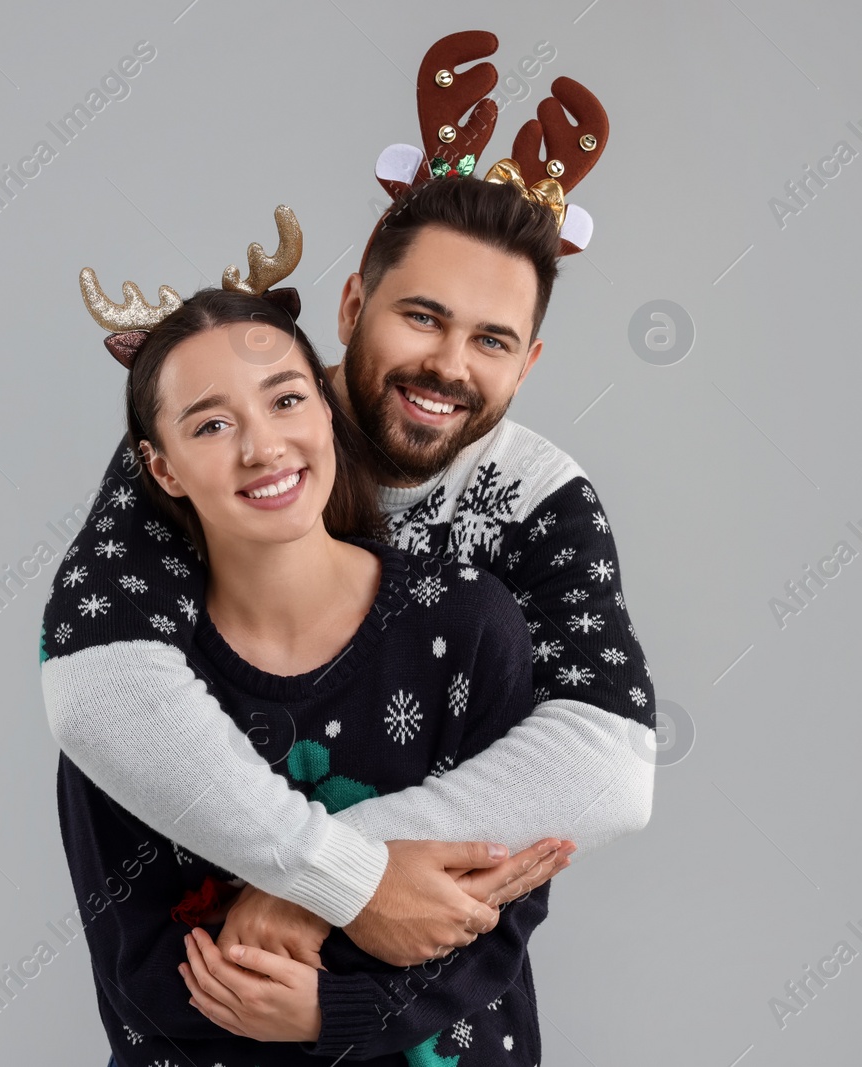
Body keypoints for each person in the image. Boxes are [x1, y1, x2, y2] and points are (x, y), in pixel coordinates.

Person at [41, 31, 655, 974]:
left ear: (527, 364)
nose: (449, 365)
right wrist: (343, 878)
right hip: (206, 973)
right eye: (422, 316)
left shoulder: (540, 498)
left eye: (492, 340)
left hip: (425, 987)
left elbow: (608, 762)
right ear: (351, 304)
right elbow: (98, 682)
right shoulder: (236, 437)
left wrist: (323, 888)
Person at [56, 269, 569, 1063]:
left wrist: (339, 1007)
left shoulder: (468, 624)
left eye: (286, 399)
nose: (263, 446)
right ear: (161, 469)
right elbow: (141, 972)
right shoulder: (136, 700)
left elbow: (499, 907)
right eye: (211, 425)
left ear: (327, 410)